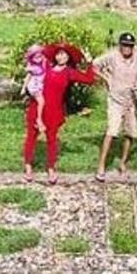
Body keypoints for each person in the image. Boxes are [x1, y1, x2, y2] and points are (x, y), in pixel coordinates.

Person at [23, 42, 96, 185]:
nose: (60, 56)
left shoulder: (69, 72)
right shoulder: (47, 66)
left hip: (54, 111)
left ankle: (51, 168)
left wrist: (89, 63)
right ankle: (28, 166)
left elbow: (89, 79)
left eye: (63, 54)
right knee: (31, 137)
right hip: (36, 107)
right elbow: (32, 68)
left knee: (51, 140)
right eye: (58, 54)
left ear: (68, 57)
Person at [94, 32, 137, 181]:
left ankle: (123, 163)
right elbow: (94, 66)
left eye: (130, 46)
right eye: (124, 45)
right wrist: (106, 79)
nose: (127, 48)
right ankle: (101, 164)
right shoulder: (111, 56)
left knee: (131, 133)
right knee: (112, 131)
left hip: (132, 100)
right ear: (120, 45)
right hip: (115, 100)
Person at [22, 44, 47, 118]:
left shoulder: (43, 64)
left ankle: (33, 113)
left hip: (41, 84)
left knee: (38, 101)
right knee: (41, 102)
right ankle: (39, 118)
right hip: (35, 86)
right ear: (32, 58)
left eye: (40, 56)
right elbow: (28, 77)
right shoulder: (33, 67)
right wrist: (24, 88)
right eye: (36, 57)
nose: (39, 58)